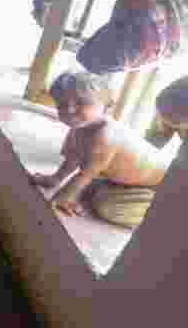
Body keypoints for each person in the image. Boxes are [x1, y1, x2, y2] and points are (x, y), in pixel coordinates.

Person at [30, 71, 170, 228]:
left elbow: (85, 174)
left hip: (160, 189)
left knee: (106, 207)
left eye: (81, 102)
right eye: (61, 104)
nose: (69, 110)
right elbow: (73, 158)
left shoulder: (105, 136)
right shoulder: (81, 126)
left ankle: (168, 217)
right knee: (88, 191)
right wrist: (55, 179)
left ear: (107, 106)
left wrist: (62, 198)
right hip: (123, 181)